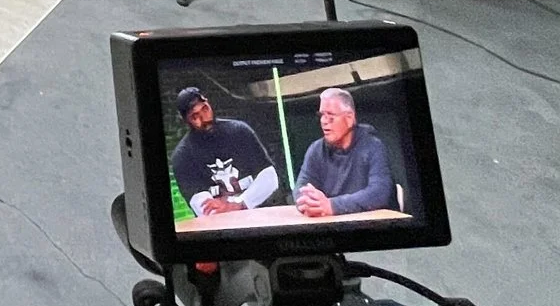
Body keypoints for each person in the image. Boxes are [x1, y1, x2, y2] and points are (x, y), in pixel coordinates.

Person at [169, 85, 281, 217]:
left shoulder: (240, 132)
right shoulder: (183, 156)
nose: (204, 118)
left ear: (208, 103)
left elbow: (270, 177)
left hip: (262, 219)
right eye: (195, 116)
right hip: (221, 227)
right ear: (186, 120)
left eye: (205, 109)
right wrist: (228, 209)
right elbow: (203, 207)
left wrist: (239, 203)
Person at [293, 87, 397, 218]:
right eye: (321, 115)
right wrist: (308, 203)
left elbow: (380, 193)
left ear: (349, 118)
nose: (324, 121)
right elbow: (302, 186)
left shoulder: (373, 146)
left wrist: (333, 206)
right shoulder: (316, 150)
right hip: (334, 226)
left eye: (330, 115)